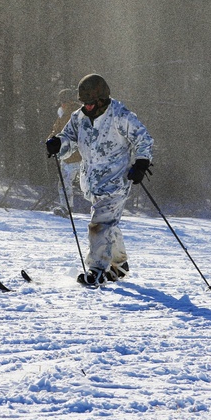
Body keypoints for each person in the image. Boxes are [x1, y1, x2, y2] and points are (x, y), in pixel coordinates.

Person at [45, 74, 154, 285]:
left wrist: (141, 164)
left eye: (91, 103)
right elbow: (68, 138)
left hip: (116, 182)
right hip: (92, 182)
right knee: (108, 224)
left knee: (99, 224)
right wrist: (58, 144)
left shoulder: (120, 116)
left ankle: (96, 269)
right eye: (84, 103)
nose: (87, 107)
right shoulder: (79, 117)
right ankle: (120, 264)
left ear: (102, 99)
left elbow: (143, 139)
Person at [48, 88, 83, 217]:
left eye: (64, 101)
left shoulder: (76, 115)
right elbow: (56, 130)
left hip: (78, 156)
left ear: (70, 101)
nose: (62, 104)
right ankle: (66, 207)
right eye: (61, 101)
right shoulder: (64, 115)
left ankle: (105, 209)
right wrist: (51, 140)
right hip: (70, 157)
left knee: (71, 183)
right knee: (64, 183)